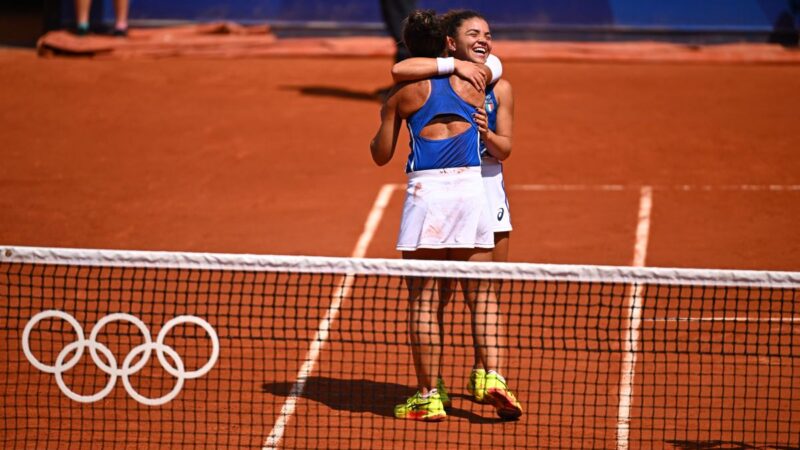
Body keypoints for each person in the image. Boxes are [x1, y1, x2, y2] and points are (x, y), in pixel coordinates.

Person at [369, 9, 522, 422]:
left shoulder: (404, 94)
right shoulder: (480, 84)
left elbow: (381, 155)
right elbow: (493, 67)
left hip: (428, 195)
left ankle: (428, 394)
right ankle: (492, 377)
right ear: (447, 43)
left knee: (423, 299)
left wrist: (388, 115)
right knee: (484, 294)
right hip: (473, 193)